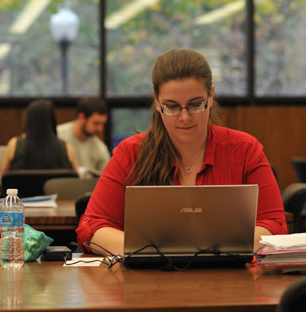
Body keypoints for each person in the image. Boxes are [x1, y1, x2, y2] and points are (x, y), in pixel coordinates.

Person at [76, 48, 287, 256]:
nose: (185, 117)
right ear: (156, 101)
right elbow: (91, 228)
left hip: (229, 281)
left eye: (195, 105)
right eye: (172, 106)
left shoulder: (244, 150)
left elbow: (275, 225)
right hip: (150, 283)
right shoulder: (131, 153)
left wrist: (203, 249)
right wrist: (151, 250)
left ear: (210, 96)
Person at [1, 99, 78, 174]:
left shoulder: (14, 145)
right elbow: (76, 180)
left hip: (23, 187)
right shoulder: (67, 148)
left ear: (29, 120)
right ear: (52, 120)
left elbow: (3, 179)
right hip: (57, 187)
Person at [57, 96, 110, 177]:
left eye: (102, 124)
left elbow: (106, 180)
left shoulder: (100, 148)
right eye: (96, 123)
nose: (100, 129)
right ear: (81, 117)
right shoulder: (57, 136)